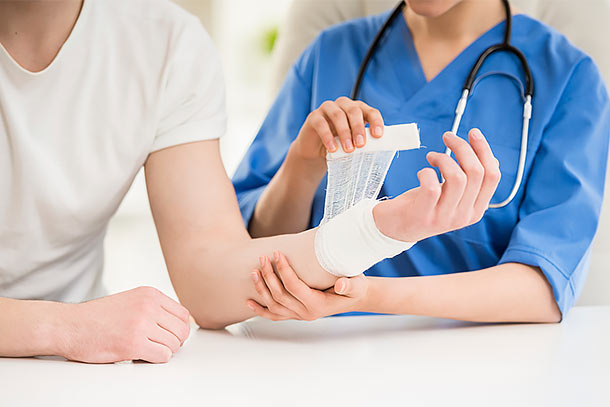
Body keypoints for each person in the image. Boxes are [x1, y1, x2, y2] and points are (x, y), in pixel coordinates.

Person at [0, 0, 500, 363]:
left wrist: (383, 227)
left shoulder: (166, 42)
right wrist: (62, 326)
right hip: (74, 343)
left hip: (74, 370)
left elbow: (211, 279)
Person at [233, 0, 610, 322]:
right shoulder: (330, 54)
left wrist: (363, 296)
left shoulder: (568, 79)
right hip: (304, 354)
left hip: (474, 365)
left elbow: (542, 287)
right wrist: (301, 165)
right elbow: (251, 248)